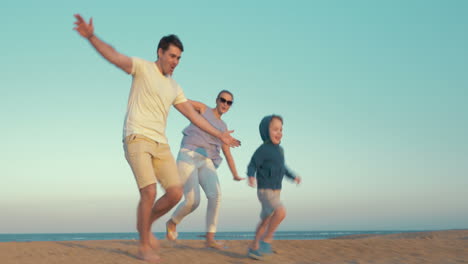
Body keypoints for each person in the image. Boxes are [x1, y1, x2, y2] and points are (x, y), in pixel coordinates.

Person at [73, 14, 240, 263]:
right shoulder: (142, 68)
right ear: (160, 52)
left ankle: (145, 225)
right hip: (136, 137)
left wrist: (220, 135)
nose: (175, 62)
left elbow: (195, 118)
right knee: (149, 191)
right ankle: (144, 246)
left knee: (174, 194)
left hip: (161, 144)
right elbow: (115, 56)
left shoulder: (175, 87)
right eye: (172, 56)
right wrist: (91, 37)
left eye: (179, 58)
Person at [165, 90, 244, 249]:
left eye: (229, 102)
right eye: (223, 100)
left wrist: (235, 173)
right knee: (193, 201)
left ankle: (210, 238)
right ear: (217, 100)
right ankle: (172, 223)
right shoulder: (203, 109)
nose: (225, 104)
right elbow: (182, 101)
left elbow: (227, 152)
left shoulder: (224, 127)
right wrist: (166, 93)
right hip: (188, 154)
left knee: (216, 195)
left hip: (206, 160)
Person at [246, 114, 301, 260]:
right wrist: (251, 175)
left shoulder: (280, 150)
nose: (279, 133)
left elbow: (283, 168)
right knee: (281, 212)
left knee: (265, 220)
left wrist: (293, 176)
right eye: (275, 129)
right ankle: (266, 240)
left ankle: (254, 247)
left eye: (281, 129)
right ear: (266, 131)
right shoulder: (263, 149)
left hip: (276, 191)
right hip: (265, 190)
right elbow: (253, 163)